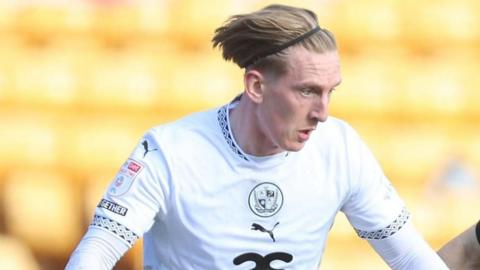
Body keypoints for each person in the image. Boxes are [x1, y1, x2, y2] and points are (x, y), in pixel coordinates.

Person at [66, 4, 453, 269]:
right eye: (306, 91)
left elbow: (410, 258)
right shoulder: (170, 151)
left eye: (329, 91)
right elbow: (98, 251)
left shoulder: (340, 147)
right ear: (256, 86)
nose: (322, 113)